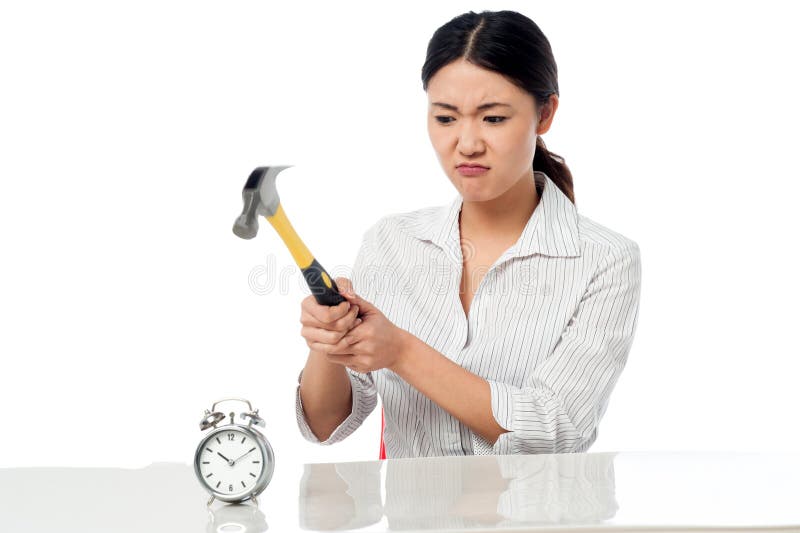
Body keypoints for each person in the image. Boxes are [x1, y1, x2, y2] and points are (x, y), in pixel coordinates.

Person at [295, 9, 642, 457]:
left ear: (545, 114)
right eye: (445, 119)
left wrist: (400, 350)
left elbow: (555, 429)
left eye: (493, 118)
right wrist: (329, 340)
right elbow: (324, 426)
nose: (467, 143)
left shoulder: (605, 259)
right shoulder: (391, 242)